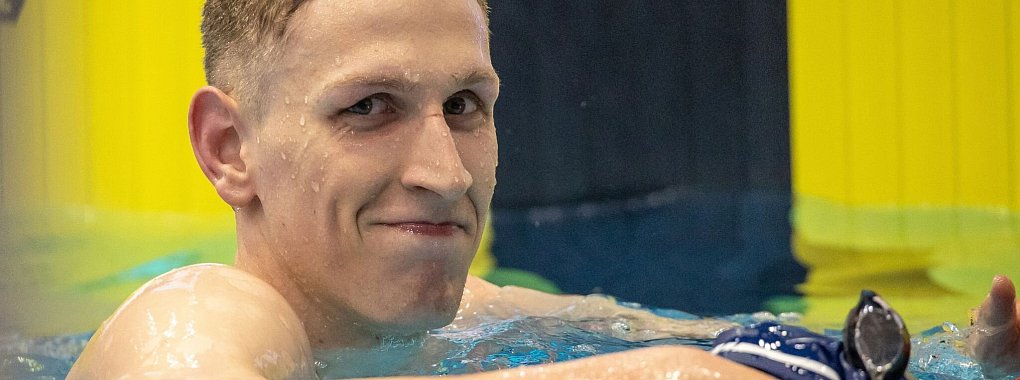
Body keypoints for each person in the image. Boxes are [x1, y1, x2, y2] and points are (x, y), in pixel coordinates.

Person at [66, 0, 1020, 378]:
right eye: (368, 108)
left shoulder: (472, 324)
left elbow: (732, 345)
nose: (446, 173)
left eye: (466, 106)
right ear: (228, 148)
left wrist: (967, 362)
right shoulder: (194, 320)